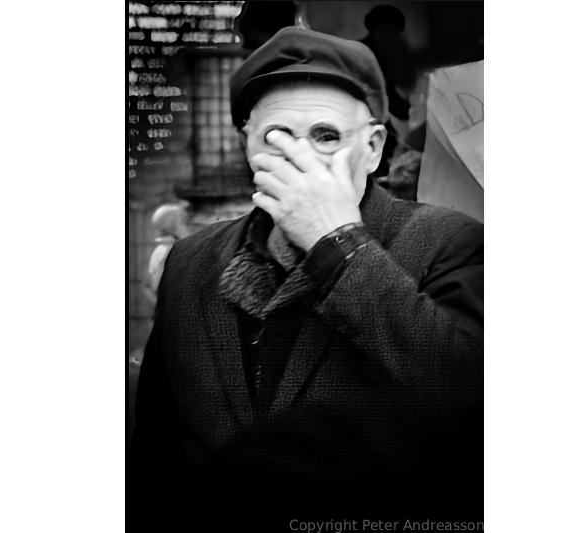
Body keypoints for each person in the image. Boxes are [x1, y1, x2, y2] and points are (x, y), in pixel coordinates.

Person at [131, 27, 484, 508]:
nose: (301, 159)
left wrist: (336, 240)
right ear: (246, 144)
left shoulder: (450, 242)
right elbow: (157, 444)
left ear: (374, 148)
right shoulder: (190, 260)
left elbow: (461, 401)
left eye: (326, 136)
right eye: (276, 138)